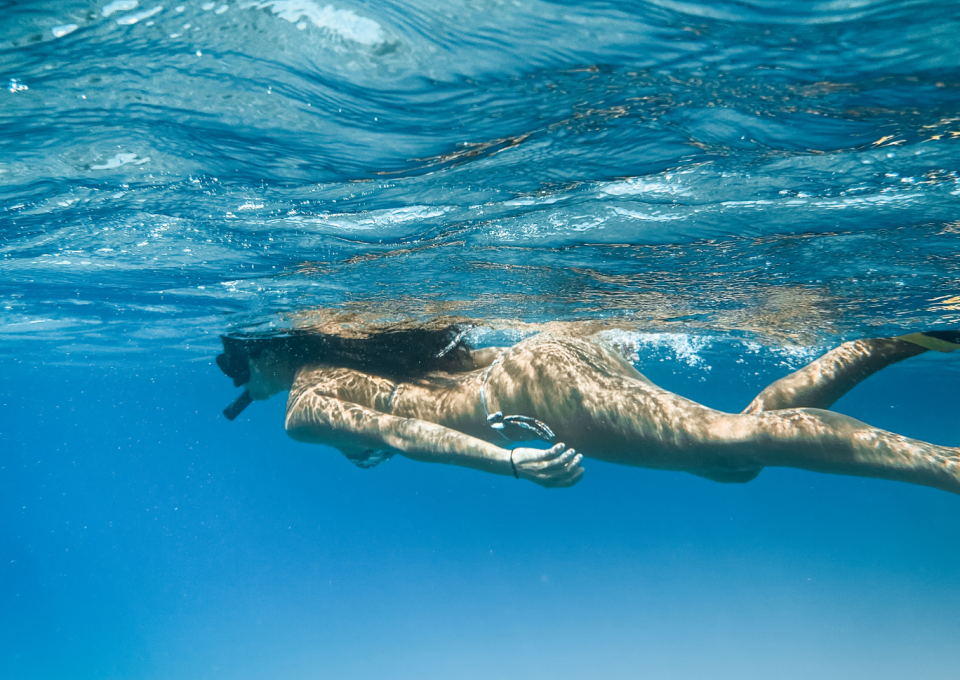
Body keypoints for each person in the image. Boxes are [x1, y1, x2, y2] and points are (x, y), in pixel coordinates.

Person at [215, 322, 960, 494]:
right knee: (733, 458)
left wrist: (509, 460)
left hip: (533, 392)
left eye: (236, 365)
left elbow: (403, 431)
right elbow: (396, 419)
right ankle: (892, 340)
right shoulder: (359, 353)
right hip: (548, 355)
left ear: (264, 353)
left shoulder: (306, 402)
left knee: (732, 439)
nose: (241, 380)